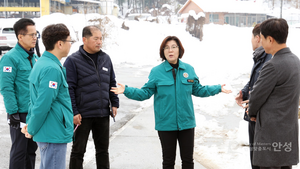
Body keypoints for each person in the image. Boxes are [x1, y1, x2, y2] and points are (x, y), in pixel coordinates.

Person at [110, 36, 232, 169]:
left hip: (186, 123)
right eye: (166, 48)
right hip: (166, 124)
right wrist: (126, 90)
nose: (170, 50)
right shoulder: (157, 72)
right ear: (163, 52)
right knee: (168, 162)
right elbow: (145, 93)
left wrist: (218, 88)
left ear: (180, 50)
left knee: (188, 161)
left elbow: (199, 90)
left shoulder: (188, 69)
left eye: (174, 47)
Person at [247, 18, 300, 169]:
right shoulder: (296, 61)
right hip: (288, 133)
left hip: (271, 135)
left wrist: (252, 112)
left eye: (262, 38)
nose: (261, 43)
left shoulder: (273, 65)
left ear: (270, 39)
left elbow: (256, 96)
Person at [64, 25, 119, 169]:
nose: (99, 42)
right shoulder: (72, 61)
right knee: (78, 152)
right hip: (82, 116)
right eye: (96, 38)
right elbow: (69, 89)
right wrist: (74, 112)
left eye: (101, 38)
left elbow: (111, 82)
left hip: (102, 114)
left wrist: (114, 103)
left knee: (103, 151)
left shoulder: (106, 58)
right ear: (85, 39)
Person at [22, 23, 74, 169]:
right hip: (53, 132)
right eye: (70, 41)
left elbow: (35, 101)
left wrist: (30, 124)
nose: (70, 45)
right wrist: (31, 128)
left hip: (49, 131)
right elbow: (42, 104)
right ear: (60, 43)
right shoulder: (51, 69)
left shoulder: (43, 63)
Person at [0, 18, 38, 169]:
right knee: (19, 151)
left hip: (33, 113)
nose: (35, 38)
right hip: (19, 113)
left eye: (36, 34)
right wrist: (12, 112)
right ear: (20, 36)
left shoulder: (34, 57)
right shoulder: (10, 58)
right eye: (32, 35)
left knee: (31, 150)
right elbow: (6, 87)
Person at [235, 24, 272, 169]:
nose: (251, 40)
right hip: (255, 116)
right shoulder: (260, 56)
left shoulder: (268, 60)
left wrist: (253, 109)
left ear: (258, 38)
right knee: (256, 159)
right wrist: (243, 93)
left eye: (252, 37)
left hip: (260, 118)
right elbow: (255, 81)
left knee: (259, 161)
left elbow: (262, 89)